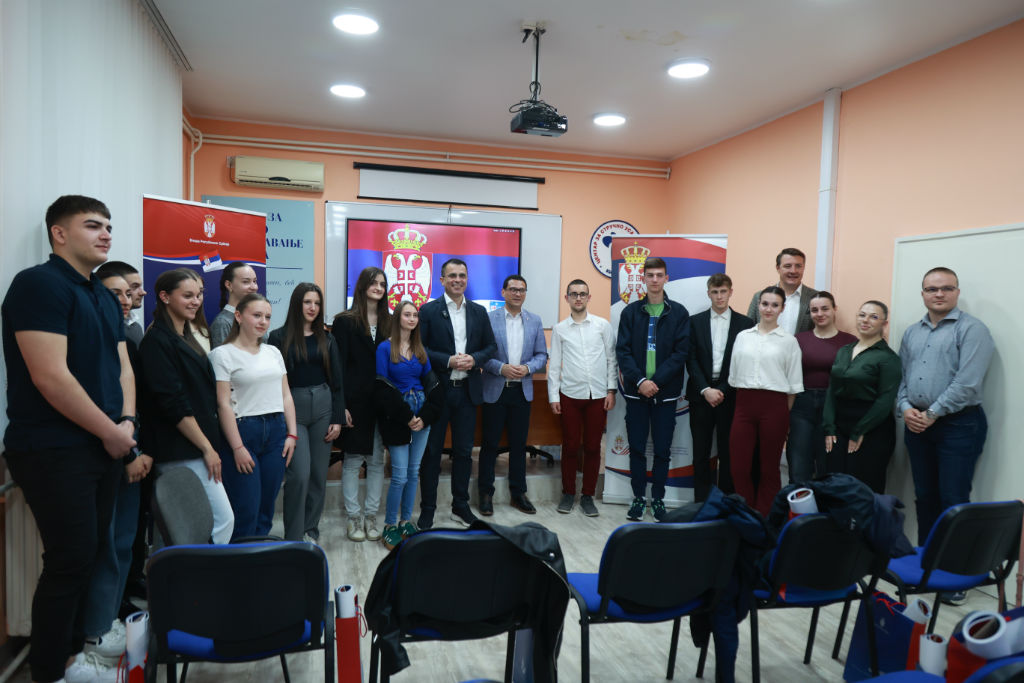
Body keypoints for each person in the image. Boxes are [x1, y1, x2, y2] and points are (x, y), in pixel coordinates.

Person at [2, 195, 136, 683]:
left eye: (109, 226)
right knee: (69, 560)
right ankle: (50, 671)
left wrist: (127, 422)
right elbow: (50, 378)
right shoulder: (38, 285)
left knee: (92, 555)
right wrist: (111, 432)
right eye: (93, 225)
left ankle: (74, 657)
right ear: (59, 234)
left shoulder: (101, 293)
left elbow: (121, 367)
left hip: (104, 443)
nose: (106, 234)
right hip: (53, 447)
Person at [79, 272, 153, 665]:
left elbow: (134, 396)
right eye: (115, 293)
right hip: (108, 453)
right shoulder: (89, 340)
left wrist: (138, 447)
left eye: (128, 293)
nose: (124, 299)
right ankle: (96, 630)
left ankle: (112, 616)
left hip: (132, 447)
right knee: (104, 546)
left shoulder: (127, 335)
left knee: (124, 541)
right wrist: (127, 453)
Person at [896, 267, 994, 548]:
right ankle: (928, 561)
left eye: (947, 288)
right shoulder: (912, 332)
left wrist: (932, 413)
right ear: (923, 294)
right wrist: (905, 407)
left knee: (953, 500)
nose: (939, 294)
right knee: (925, 497)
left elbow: (967, 383)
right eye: (932, 289)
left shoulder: (972, 329)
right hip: (917, 425)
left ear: (957, 292)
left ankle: (954, 568)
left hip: (959, 425)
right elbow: (902, 377)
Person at [138, 268, 234, 544]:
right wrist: (206, 448)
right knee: (220, 521)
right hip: (180, 450)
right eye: (188, 296)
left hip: (196, 446)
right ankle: (200, 571)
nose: (196, 301)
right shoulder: (157, 341)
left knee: (184, 531)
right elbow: (173, 404)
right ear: (165, 297)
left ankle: (189, 570)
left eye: (199, 295)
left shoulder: (185, 336)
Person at [417, 258, 497, 528]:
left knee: (463, 453)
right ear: (441, 280)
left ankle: (460, 506)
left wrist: (474, 359)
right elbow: (420, 348)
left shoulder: (478, 312)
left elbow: (490, 347)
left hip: (467, 393)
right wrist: (448, 360)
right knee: (432, 453)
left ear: (467, 279)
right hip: (438, 393)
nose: (457, 280)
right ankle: (428, 509)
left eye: (462, 275)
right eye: (452, 275)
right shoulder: (428, 311)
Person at [210, 293, 297, 539]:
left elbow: (286, 396)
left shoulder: (273, 352)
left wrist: (292, 434)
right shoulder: (222, 354)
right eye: (257, 315)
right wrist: (237, 447)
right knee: (245, 509)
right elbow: (223, 404)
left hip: (276, 432)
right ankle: (240, 559)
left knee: (266, 509)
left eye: (267, 317)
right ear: (238, 316)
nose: (263, 321)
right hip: (242, 432)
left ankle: (261, 557)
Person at [615, 256, 690, 522]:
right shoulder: (630, 312)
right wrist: (640, 381)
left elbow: (681, 353)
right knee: (636, 448)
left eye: (659, 275)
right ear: (644, 279)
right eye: (650, 275)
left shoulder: (679, 313)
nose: (655, 280)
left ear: (666, 278)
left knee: (661, 451)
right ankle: (638, 498)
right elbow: (622, 352)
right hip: (636, 394)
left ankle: (657, 499)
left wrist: (655, 381)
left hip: (665, 395)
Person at [268, 283, 344, 542]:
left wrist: (337, 418)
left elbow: (337, 381)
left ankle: (310, 528)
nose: (313, 307)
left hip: (323, 406)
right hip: (293, 409)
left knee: (318, 475)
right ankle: (293, 536)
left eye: (317, 303)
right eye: (307, 302)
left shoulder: (327, 338)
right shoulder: (278, 337)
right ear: (297, 304)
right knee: (299, 475)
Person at [373, 301, 443, 549]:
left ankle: (405, 521)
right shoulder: (384, 348)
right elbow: (381, 387)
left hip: (422, 414)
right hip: (397, 416)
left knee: (414, 472)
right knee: (400, 476)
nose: (412, 319)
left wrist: (425, 417)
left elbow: (432, 385)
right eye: (407, 314)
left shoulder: (419, 348)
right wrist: (406, 416)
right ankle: (390, 525)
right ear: (398, 318)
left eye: (415, 315)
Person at [729, 286, 803, 516]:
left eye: (774, 305)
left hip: (775, 407)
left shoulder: (789, 341)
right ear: (758, 305)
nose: (769, 309)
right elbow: (734, 375)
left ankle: (767, 517)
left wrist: (784, 417)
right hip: (744, 404)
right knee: (739, 465)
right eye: (765, 304)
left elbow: (793, 385)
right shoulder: (743, 336)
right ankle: (745, 514)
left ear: (782, 308)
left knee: (769, 468)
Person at [478, 275, 548, 515]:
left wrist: (528, 368)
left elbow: (542, 355)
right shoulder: (489, 319)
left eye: (522, 290)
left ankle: (518, 494)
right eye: (513, 289)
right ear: (503, 292)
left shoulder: (534, 320)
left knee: (519, 445)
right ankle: (485, 494)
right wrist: (501, 368)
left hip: (521, 391)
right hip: (495, 390)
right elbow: (482, 354)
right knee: (489, 444)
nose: (517, 293)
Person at [548, 279, 617, 517]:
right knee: (569, 446)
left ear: (589, 297)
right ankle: (568, 493)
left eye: (582, 294)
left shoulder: (602, 325)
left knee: (592, 447)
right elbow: (555, 365)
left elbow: (611, 359)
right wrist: (553, 396)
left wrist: (611, 390)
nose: (578, 298)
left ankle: (588, 496)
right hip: (570, 395)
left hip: (597, 395)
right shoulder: (560, 329)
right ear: (566, 298)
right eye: (574, 294)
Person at [331, 266, 390, 542]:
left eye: (382, 284)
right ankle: (353, 518)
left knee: (377, 461)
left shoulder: (390, 321)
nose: (378, 287)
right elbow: (338, 368)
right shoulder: (344, 321)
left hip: (382, 404)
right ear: (362, 286)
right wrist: (340, 405)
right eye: (373, 283)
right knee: (353, 461)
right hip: (354, 404)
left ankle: (371, 516)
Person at [685, 273, 754, 502]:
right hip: (700, 396)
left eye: (723, 291)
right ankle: (702, 503)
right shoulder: (694, 322)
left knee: (729, 453)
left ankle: (725, 502)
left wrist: (723, 389)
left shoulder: (745, 324)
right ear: (708, 294)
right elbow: (690, 359)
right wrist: (705, 389)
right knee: (700, 453)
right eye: (715, 292)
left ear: (730, 292)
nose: (719, 296)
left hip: (730, 396)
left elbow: (741, 362)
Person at [824, 300, 902, 494]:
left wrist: (859, 431)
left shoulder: (888, 358)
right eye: (862, 315)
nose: (866, 320)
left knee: (863, 487)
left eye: (873, 317)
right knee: (834, 484)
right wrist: (829, 426)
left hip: (872, 427)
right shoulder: (844, 351)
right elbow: (832, 389)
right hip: (839, 425)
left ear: (884, 324)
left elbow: (885, 400)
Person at [789, 292, 856, 483]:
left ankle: (825, 502)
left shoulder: (850, 342)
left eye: (825, 308)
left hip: (834, 406)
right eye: (814, 310)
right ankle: (799, 502)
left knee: (829, 464)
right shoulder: (798, 340)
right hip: (802, 405)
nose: (819, 314)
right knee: (799, 463)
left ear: (835, 309)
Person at [746, 247, 819, 335]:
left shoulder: (815, 297)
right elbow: (749, 328)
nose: (793, 271)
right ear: (778, 268)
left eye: (798, 266)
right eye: (788, 266)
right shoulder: (759, 296)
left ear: (803, 268)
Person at [95, 261, 145, 347]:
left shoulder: (136, 327)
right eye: (135, 286)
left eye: (128, 294)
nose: (143, 292)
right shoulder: (92, 330)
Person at [209, 261, 259, 347]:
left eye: (254, 281)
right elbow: (221, 355)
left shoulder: (257, 319)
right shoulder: (223, 323)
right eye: (246, 282)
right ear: (229, 285)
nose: (254, 287)